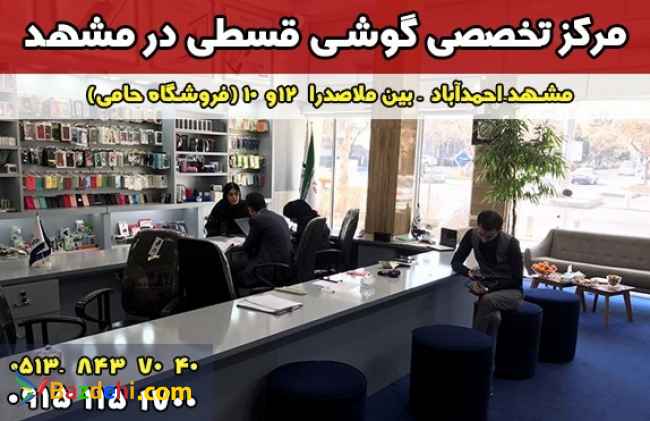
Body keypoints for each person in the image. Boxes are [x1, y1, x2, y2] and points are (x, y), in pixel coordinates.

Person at [451, 210, 524, 339]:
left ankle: (475, 341)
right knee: (493, 317)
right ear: (477, 226)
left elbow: (517, 280)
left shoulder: (511, 243)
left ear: (499, 230)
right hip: (488, 285)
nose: (484, 240)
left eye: (489, 237)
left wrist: (488, 288)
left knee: (487, 300)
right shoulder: (472, 234)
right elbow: (455, 262)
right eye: (481, 234)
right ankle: (488, 345)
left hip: (511, 290)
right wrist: (469, 273)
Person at [234, 192, 292, 289]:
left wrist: (236, 247)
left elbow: (247, 247)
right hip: (286, 268)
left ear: (249, 208)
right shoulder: (279, 217)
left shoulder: (257, 219)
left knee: (235, 274)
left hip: (268, 269)